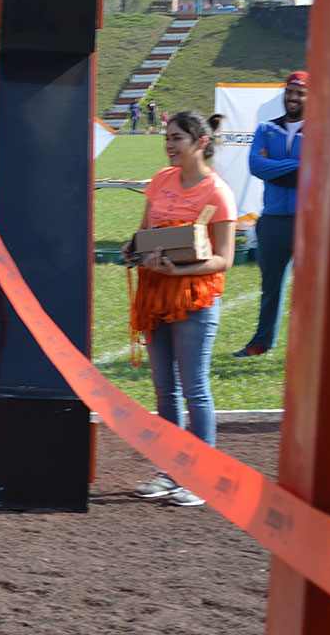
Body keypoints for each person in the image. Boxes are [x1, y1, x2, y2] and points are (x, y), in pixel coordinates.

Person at [126, 111, 236, 508]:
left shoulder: (218, 192)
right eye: (167, 138)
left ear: (200, 143)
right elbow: (144, 232)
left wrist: (181, 269)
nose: (170, 145)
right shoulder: (160, 180)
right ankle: (170, 469)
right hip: (156, 294)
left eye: (177, 138)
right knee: (164, 389)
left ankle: (202, 476)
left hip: (195, 299)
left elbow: (224, 259)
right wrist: (133, 249)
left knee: (194, 388)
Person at [233, 71, 306, 358]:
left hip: (308, 220)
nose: (293, 97)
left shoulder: (321, 128)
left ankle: (310, 347)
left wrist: (276, 166)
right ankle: (262, 342)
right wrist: (298, 166)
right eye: (289, 92)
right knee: (270, 287)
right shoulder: (266, 128)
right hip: (273, 219)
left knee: (314, 288)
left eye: (300, 93)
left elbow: (317, 169)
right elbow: (255, 166)